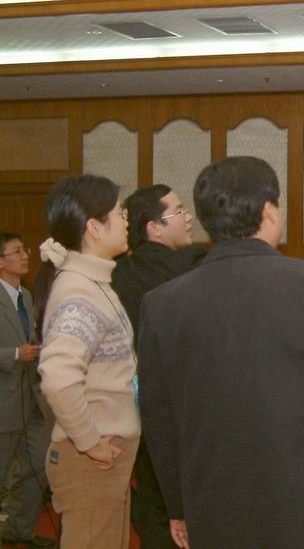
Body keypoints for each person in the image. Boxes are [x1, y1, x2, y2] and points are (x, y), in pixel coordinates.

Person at [137, 156, 304, 549]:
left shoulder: (162, 304)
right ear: (270, 211)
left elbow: (160, 417)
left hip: (211, 502)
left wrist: (178, 504)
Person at [35, 174, 139, 549]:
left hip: (102, 457)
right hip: (92, 460)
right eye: (120, 214)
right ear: (94, 227)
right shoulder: (79, 291)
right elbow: (58, 377)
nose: (126, 221)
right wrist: (89, 442)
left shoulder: (91, 282)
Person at [111, 185, 204, 549]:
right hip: (193, 409)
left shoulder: (117, 273)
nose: (188, 217)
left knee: (153, 498)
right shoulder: (194, 265)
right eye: (179, 211)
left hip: (139, 408)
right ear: (154, 227)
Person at [0, 233, 54, 549]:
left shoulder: (28, 296)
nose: (25, 256)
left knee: (37, 467)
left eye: (25, 250)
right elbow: (15, 351)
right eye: (17, 251)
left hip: (33, 400)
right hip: (4, 402)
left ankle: (19, 530)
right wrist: (14, 354)